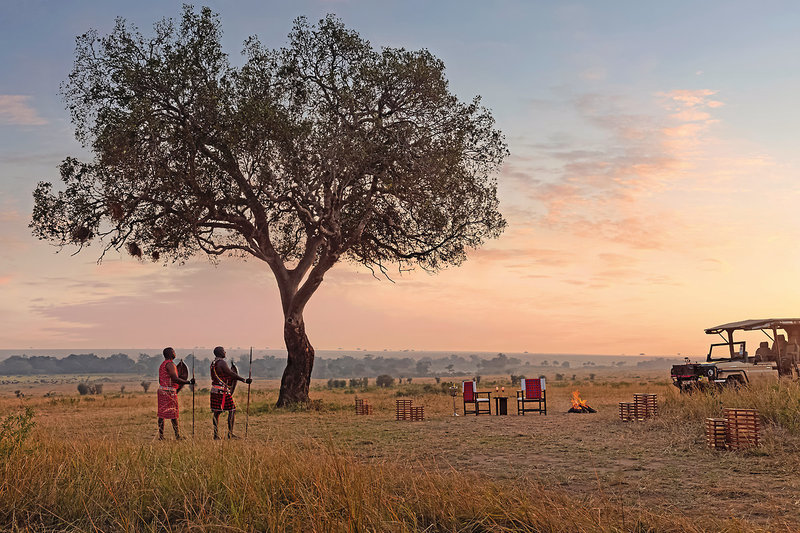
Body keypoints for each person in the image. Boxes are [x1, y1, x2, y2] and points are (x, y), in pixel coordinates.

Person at [210, 346, 251, 439]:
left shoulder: (213, 363)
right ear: (220, 352)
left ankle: (216, 435)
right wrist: (244, 380)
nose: (225, 352)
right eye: (223, 351)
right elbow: (230, 373)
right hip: (222, 391)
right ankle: (230, 434)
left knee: (217, 412)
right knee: (232, 410)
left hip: (214, 390)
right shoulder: (221, 362)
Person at [157, 347, 195, 440]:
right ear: (170, 354)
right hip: (169, 391)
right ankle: (177, 436)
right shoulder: (170, 364)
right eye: (173, 352)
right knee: (173, 413)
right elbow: (175, 378)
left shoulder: (163, 364)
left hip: (162, 390)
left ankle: (161, 436)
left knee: (162, 414)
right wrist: (188, 382)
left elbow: (160, 379)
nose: (175, 353)